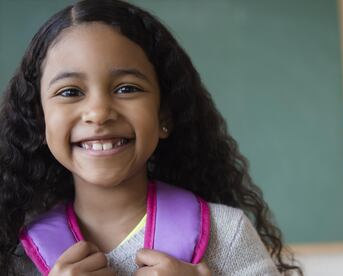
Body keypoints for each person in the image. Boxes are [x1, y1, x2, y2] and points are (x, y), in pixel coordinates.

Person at [0, 0, 302, 275]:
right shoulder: (14, 251)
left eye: (126, 88)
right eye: (70, 92)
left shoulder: (227, 233)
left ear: (164, 116)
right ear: (38, 123)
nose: (99, 112)